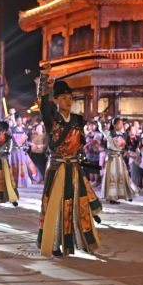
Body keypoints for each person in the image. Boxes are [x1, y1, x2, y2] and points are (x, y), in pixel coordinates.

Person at [36, 71, 102, 257]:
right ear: (56, 100)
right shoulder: (52, 120)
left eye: (70, 97)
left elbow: (79, 145)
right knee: (56, 205)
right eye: (63, 97)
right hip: (57, 168)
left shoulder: (78, 121)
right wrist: (45, 82)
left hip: (74, 168)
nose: (68, 101)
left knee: (78, 204)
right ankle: (54, 243)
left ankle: (82, 241)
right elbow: (43, 104)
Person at [100, 115, 136, 203]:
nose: (121, 125)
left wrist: (126, 151)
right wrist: (100, 120)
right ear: (114, 124)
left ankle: (126, 194)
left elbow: (126, 146)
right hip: (112, 158)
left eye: (122, 123)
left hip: (119, 158)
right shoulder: (109, 133)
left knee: (123, 176)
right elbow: (102, 128)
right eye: (119, 123)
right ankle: (112, 197)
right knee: (112, 176)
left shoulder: (123, 134)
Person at [8, 114, 40, 187]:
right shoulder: (12, 129)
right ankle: (14, 181)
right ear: (16, 121)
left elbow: (26, 142)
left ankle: (23, 182)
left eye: (20, 120)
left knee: (23, 166)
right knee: (14, 166)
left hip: (21, 151)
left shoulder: (25, 130)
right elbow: (10, 140)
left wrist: (30, 145)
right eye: (18, 120)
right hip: (14, 151)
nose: (19, 122)